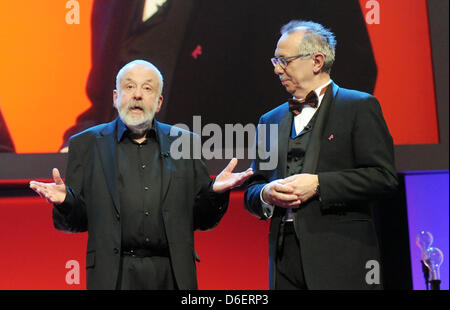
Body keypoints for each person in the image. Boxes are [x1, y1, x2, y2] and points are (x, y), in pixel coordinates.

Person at [30, 60, 253, 290]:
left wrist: (214, 192)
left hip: (172, 275)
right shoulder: (86, 144)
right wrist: (66, 201)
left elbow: (201, 219)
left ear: (158, 102)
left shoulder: (186, 143)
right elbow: (76, 222)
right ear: (116, 98)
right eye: (129, 87)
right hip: (113, 276)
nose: (137, 95)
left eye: (147, 88)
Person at [60, 0, 377, 151]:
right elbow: (103, 104)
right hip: (133, 224)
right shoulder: (109, 6)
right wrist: (75, 148)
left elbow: (346, 75)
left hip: (250, 217)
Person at [244, 20, 398, 290]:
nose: (276, 68)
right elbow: (252, 189)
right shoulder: (269, 120)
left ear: (316, 61)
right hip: (284, 257)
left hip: (341, 256)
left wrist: (318, 184)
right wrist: (266, 194)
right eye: (275, 60)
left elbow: (383, 177)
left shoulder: (359, 106)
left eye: (284, 60)